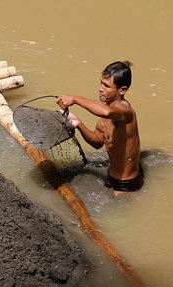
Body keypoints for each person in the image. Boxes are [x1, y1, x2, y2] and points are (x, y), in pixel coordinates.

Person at [57, 61, 143, 193]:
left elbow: (106, 112)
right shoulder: (105, 113)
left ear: (122, 90)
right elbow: (97, 142)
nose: (101, 88)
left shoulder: (125, 112)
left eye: (107, 85)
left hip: (126, 182)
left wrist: (74, 99)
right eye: (101, 82)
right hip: (111, 174)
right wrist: (79, 124)